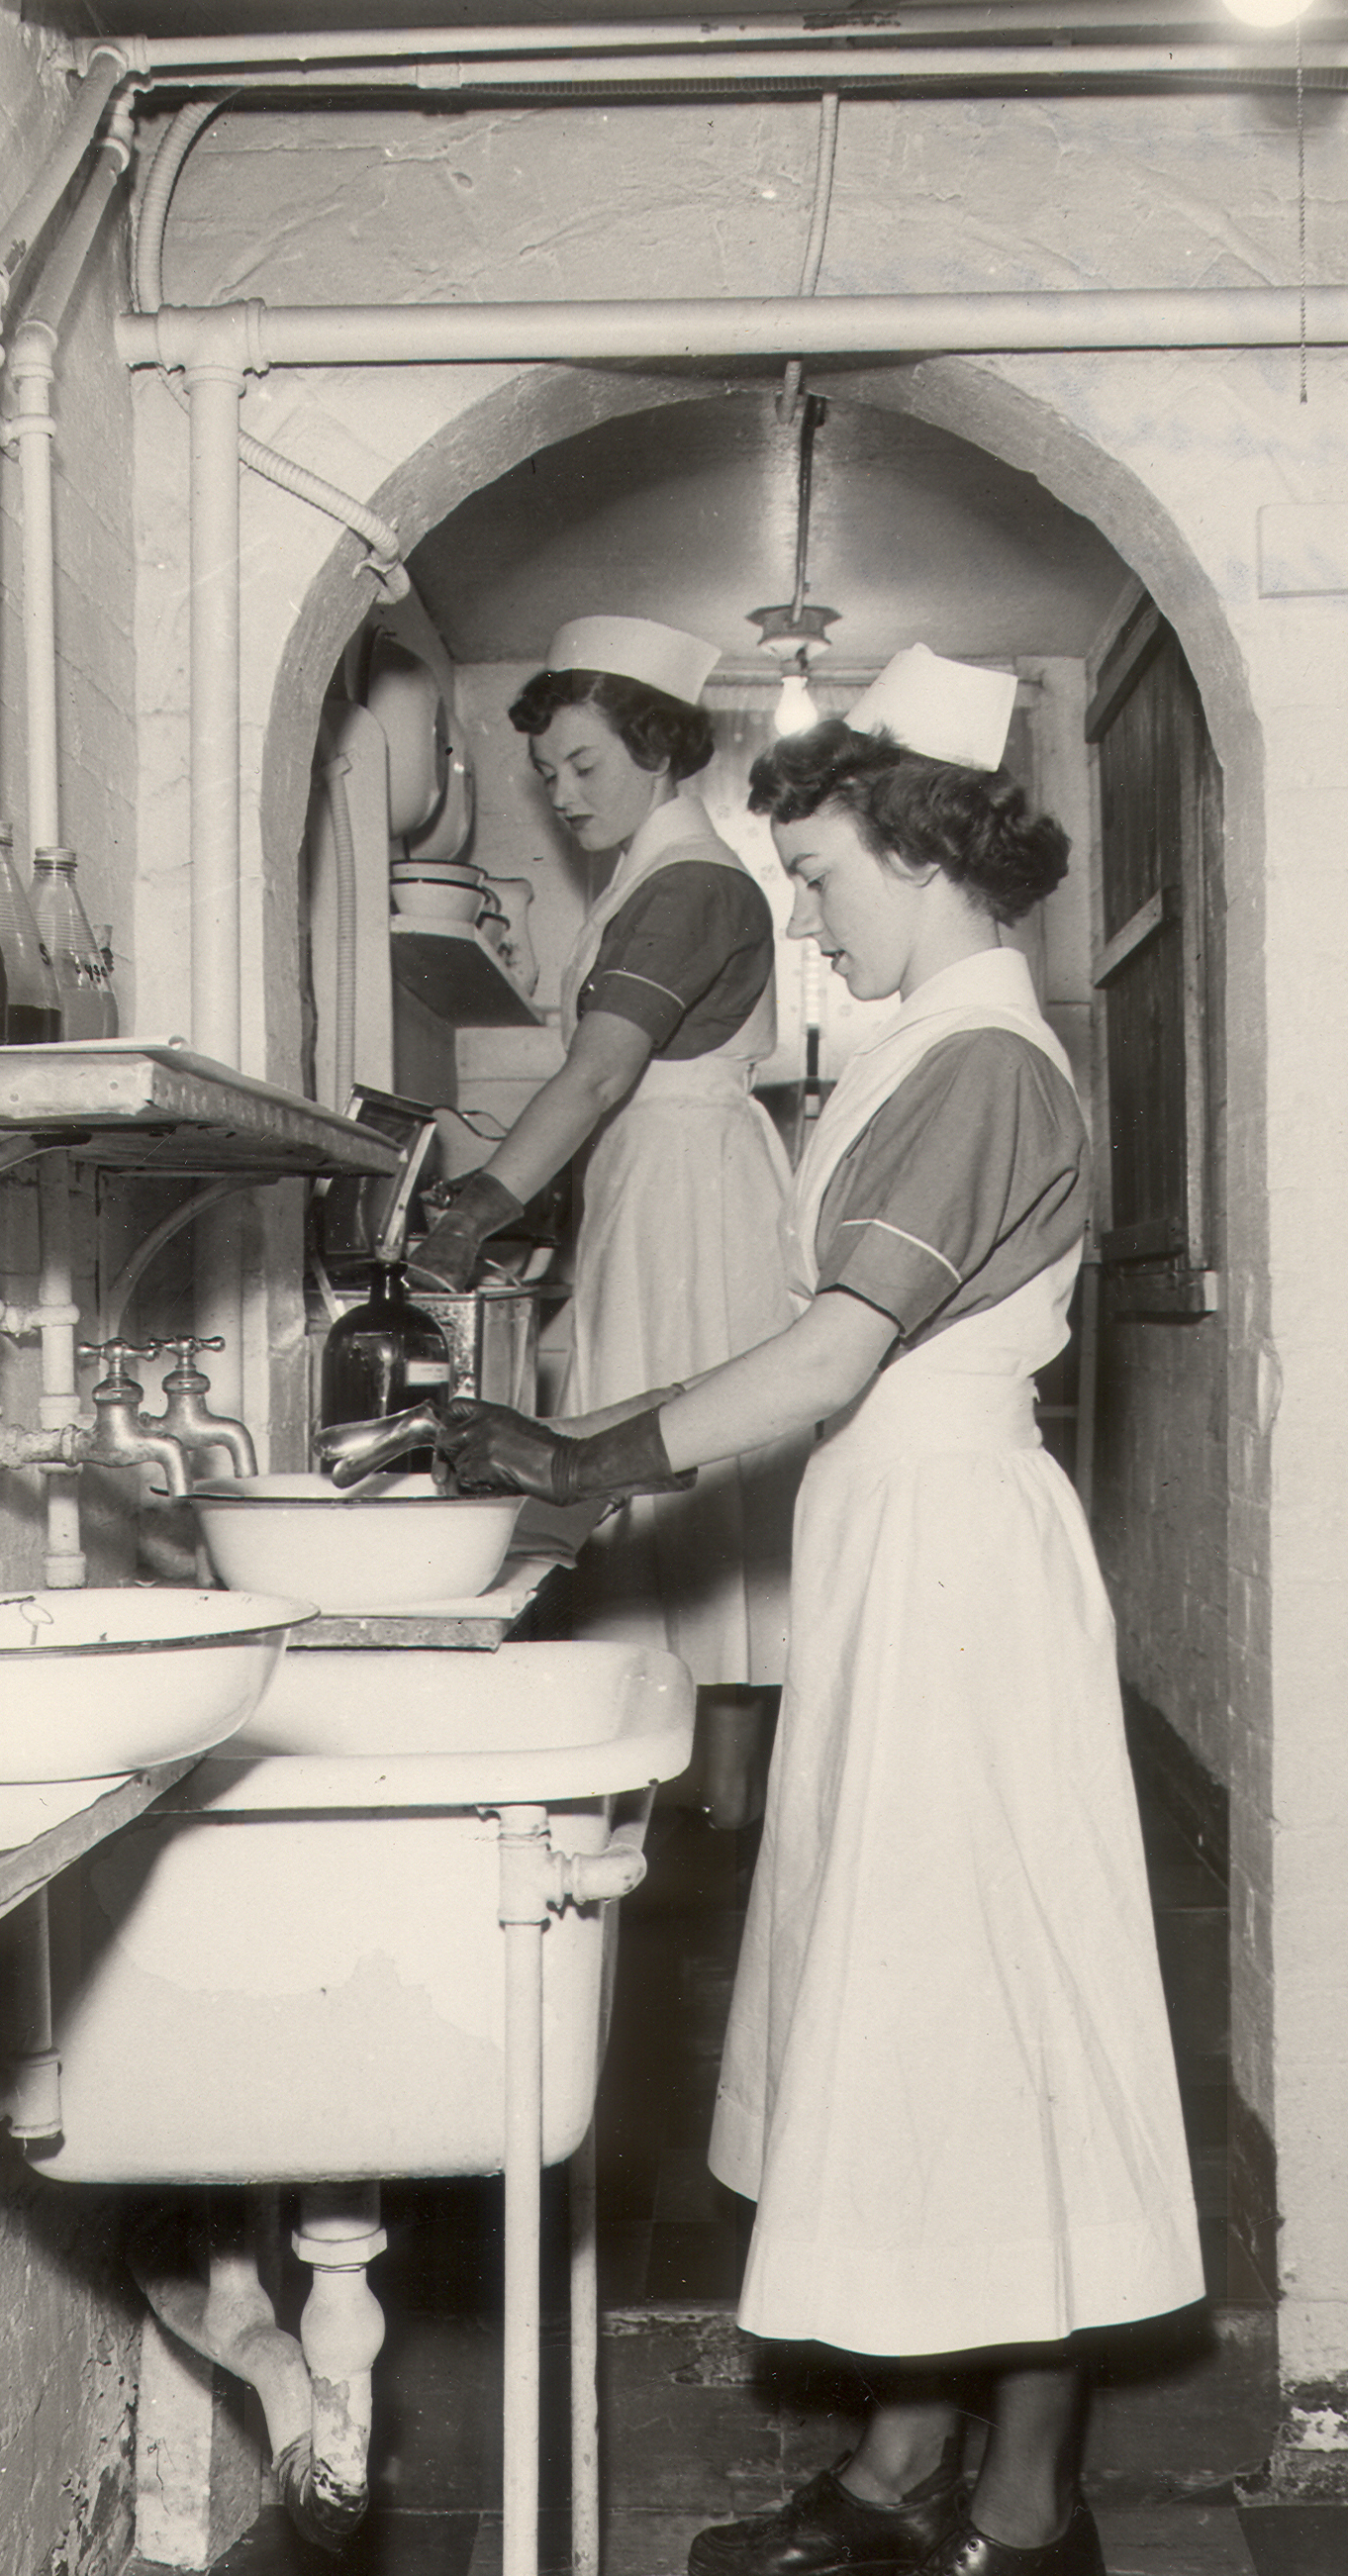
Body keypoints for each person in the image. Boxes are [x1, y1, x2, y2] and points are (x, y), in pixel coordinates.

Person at [436, 645, 1204, 2576]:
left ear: (924, 846)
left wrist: (590, 1453)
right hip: (897, 1546)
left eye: (829, 873)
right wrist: (595, 1453)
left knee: (992, 2016)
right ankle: (893, 2459)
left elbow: (828, 1355)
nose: (810, 916)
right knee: (901, 2009)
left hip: (954, 1557)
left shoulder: (983, 1059)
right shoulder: (918, 1041)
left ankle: (1031, 2511)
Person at [411, 615, 799, 1827]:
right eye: (548, 773)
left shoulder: (686, 882)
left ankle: (708, 1815)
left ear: (658, 750)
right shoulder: (655, 872)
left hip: (689, 1188)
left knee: (685, 1470)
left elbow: (591, 1075)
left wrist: (478, 1205)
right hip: (664, 1178)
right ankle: (681, 1795)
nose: (564, 793)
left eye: (585, 765)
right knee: (667, 1468)